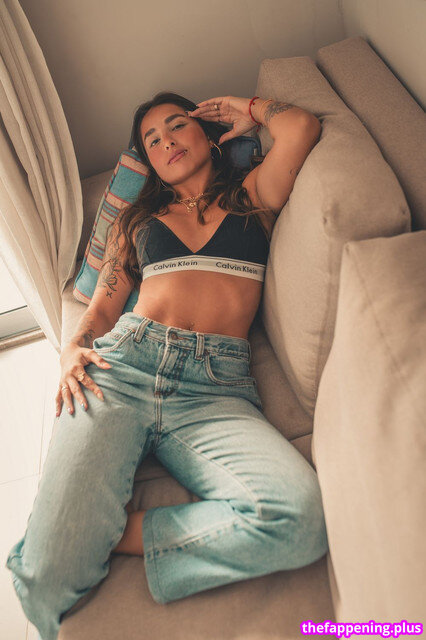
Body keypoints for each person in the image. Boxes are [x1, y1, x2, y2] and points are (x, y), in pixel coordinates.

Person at [5, 91, 326, 640]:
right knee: (45, 582)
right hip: (124, 368)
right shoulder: (136, 221)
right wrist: (71, 349)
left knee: (299, 518)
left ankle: (107, 533)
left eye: (177, 125)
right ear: (149, 163)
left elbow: (300, 128)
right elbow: (102, 310)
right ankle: (70, 540)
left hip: (215, 390)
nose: (166, 142)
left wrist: (249, 108)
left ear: (208, 135)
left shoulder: (252, 197)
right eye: (151, 140)